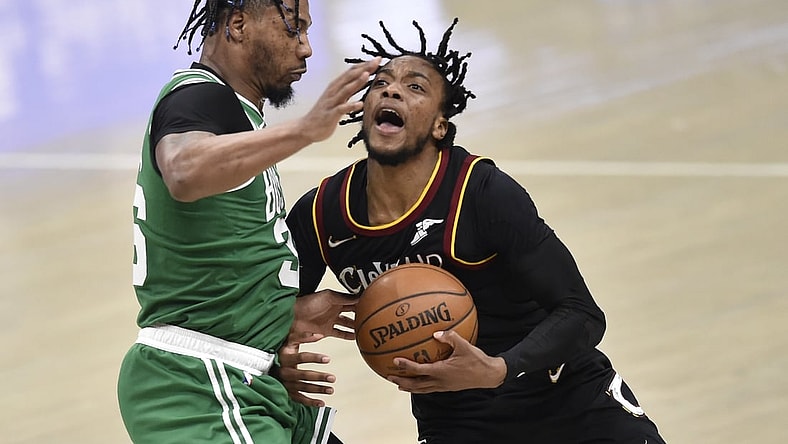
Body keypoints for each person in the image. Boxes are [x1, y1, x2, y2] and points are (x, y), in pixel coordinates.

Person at [283, 18, 668, 444]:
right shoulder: (321, 215)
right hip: (458, 422)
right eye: (382, 83)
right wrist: (284, 328)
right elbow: (251, 318)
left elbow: (582, 314)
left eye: (415, 87)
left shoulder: (480, 193)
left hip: (566, 399)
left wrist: (498, 369)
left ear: (439, 126)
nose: (391, 90)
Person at [117, 1, 380, 443]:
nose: (307, 48)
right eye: (294, 29)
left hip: (247, 379)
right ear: (238, 25)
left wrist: (283, 316)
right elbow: (183, 171)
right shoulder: (200, 96)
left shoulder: (234, 114)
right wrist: (304, 130)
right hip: (201, 386)